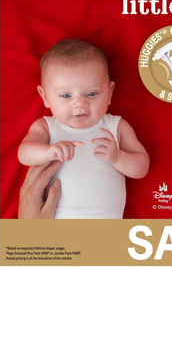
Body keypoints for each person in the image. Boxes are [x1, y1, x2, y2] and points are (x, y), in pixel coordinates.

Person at [17, 39, 149, 219]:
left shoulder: (115, 126)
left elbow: (142, 166)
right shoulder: (47, 127)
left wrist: (118, 158)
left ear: (110, 92)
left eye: (91, 94)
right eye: (65, 95)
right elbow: (24, 154)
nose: (80, 104)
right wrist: (48, 152)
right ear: (45, 97)